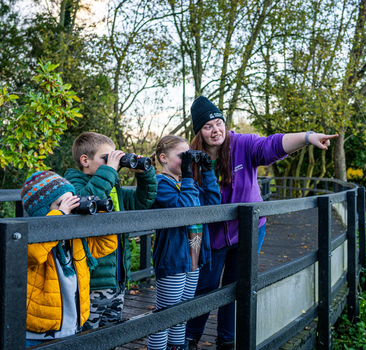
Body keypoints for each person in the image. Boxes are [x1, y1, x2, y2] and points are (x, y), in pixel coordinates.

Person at [185, 96, 338, 349]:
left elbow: (273, 144)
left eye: (219, 122)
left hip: (249, 231)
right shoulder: (192, 161)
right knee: (206, 287)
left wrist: (308, 137)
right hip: (212, 236)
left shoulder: (242, 145)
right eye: (208, 126)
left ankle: (227, 341)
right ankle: (190, 338)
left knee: (236, 287)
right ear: (199, 132)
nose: (216, 130)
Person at [64, 132, 157, 330]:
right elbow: (87, 199)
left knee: (111, 333)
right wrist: (108, 170)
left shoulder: (112, 187)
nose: (112, 163)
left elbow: (142, 202)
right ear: (85, 160)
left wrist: (144, 174)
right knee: (88, 336)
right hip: (92, 282)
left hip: (117, 279)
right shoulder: (73, 184)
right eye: (106, 158)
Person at [23, 171, 117, 347]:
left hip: (72, 325)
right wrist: (60, 216)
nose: (69, 209)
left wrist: (98, 216)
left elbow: (106, 245)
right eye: (61, 204)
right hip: (39, 331)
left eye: (71, 202)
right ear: (44, 211)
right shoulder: (31, 236)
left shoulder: (75, 237)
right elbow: (34, 254)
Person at [147, 135, 221, 350]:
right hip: (174, 258)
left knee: (182, 312)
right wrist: (189, 175)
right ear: (163, 158)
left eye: (188, 156)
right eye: (182, 156)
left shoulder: (187, 184)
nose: (187, 161)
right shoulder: (160, 183)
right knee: (166, 315)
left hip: (194, 256)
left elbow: (212, 204)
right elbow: (185, 210)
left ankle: (178, 347)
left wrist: (207, 171)